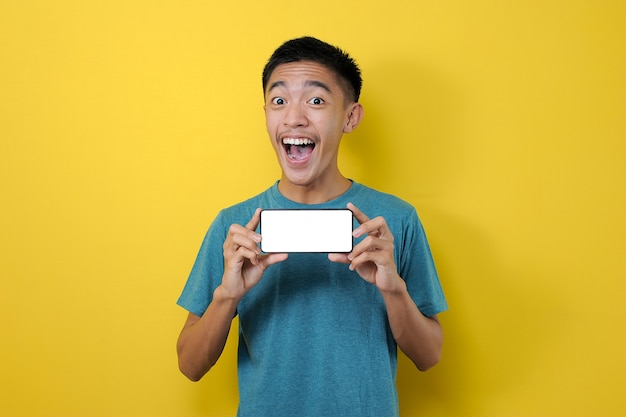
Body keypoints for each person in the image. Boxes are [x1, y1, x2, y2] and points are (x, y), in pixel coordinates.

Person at [176, 36, 447, 417]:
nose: (294, 117)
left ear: (350, 117)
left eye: (316, 101)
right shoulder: (233, 226)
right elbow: (189, 365)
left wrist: (394, 290)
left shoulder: (395, 220)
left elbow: (429, 355)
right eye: (279, 101)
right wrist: (227, 296)